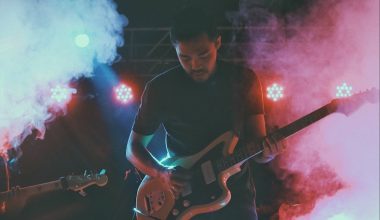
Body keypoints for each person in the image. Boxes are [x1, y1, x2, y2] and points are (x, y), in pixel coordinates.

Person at [126, 6, 285, 220]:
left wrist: (269, 151)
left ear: (217, 43)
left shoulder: (244, 80)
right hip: (181, 197)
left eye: (203, 55)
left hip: (235, 199)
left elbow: (259, 147)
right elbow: (132, 148)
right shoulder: (160, 88)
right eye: (185, 57)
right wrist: (161, 173)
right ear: (175, 50)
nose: (195, 64)